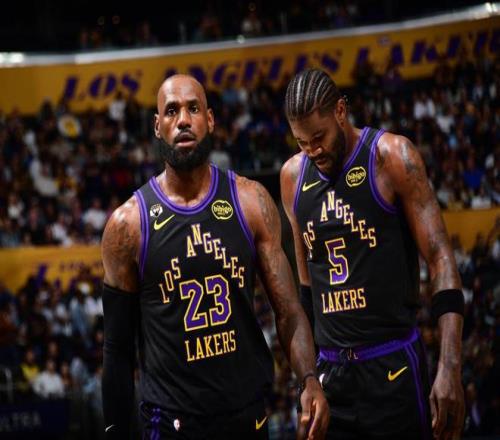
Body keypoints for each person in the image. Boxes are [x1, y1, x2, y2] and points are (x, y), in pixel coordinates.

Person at [101, 74, 329, 439]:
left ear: (210, 119)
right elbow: (117, 349)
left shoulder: (251, 201)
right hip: (171, 424)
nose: (183, 120)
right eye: (171, 111)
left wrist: (309, 380)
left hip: (247, 416)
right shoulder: (128, 226)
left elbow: (288, 311)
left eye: (193, 108)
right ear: (157, 126)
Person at [280, 68, 465, 440]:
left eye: (319, 137)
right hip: (332, 375)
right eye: (302, 142)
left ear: (340, 111)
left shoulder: (392, 156)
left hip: (392, 365)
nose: (313, 150)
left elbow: (441, 259)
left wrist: (450, 366)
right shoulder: (292, 177)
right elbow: (306, 290)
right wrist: (308, 380)